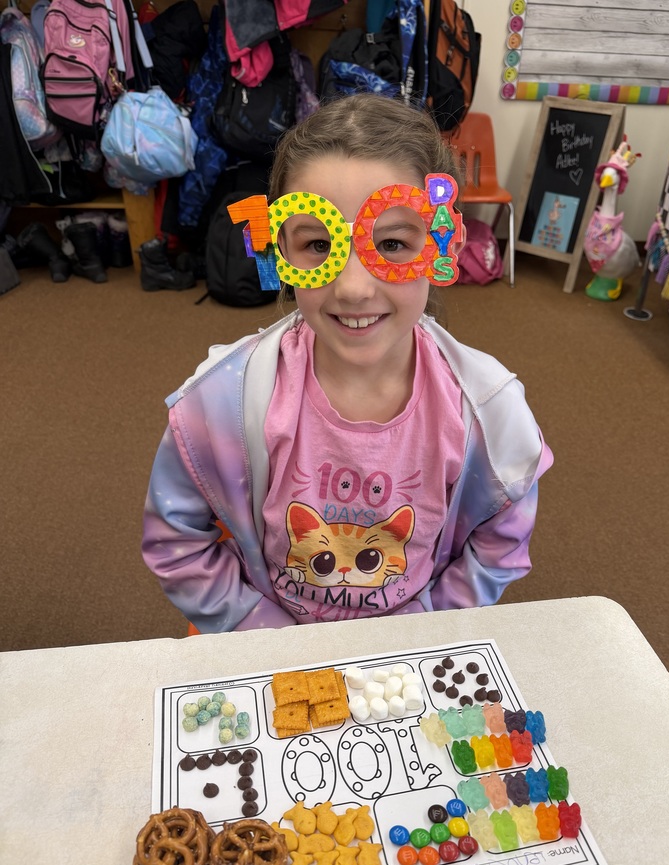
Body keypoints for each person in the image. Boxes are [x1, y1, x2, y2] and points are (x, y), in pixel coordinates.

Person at [142, 94, 553, 632]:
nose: (354, 287)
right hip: (266, 644)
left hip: (406, 654)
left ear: (441, 241)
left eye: (391, 243)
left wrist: (427, 626)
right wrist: (256, 628)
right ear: (278, 250)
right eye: (318, 243)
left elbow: (501, 538)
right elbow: (177, 541)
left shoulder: (490, 414)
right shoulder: (219, 406)